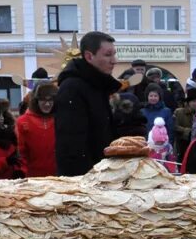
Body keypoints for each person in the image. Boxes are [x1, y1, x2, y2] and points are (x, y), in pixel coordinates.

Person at [55, 31, 122, 176]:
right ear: (89, 56)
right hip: (85, 179)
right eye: (108, 54)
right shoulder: (72, 88)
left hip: (103, 173)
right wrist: (84, 182)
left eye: (114, 54)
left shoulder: (99, 85)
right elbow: (71, 145)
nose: (114, 60)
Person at [14, 81, 57, 177]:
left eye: (50, 100)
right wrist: (22, 172)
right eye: (43, 100)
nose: (47, 104)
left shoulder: (59, 119)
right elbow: (20, 151)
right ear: (36, 100)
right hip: (32, 176)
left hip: (57, 175)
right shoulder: (23, 122)